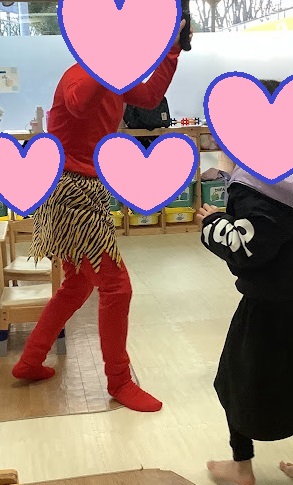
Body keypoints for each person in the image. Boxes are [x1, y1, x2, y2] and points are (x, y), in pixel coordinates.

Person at [12, 20, 193, 413]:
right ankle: (119, 381)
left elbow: (150, 98)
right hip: (71, 191)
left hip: (75, 189)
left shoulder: (113, 77)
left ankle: (30, 360)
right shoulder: (79, 73)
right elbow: (79, 102)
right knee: (116, 288)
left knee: (77, 285)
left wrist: (172, 50)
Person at [196, 80, 293, 485]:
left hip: (269, 306)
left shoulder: (259, 185)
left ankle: (241, 466)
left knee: (234, 380)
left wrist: (213, 224)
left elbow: (248, 248)